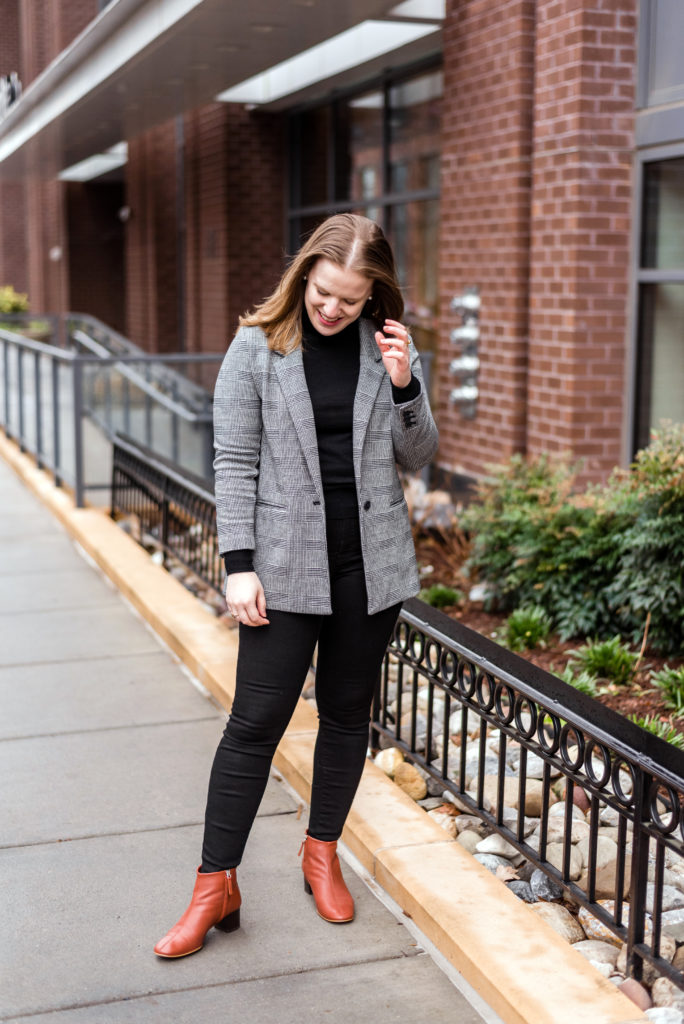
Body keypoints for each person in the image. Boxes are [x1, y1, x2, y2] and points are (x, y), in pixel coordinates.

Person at [154, 213, 438, 958]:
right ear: (304, 274)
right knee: (254, 725)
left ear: (375, 290)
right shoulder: (257, 347)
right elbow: (234, 461)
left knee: (347, 716)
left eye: (350, 297)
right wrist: (238, 563)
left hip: (370, 568)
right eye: (323, 292)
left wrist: (408, 385)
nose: (332, 309)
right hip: (282, 566)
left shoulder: (387, 350)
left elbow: (419, 456)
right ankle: (213, 885)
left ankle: (321, 855)